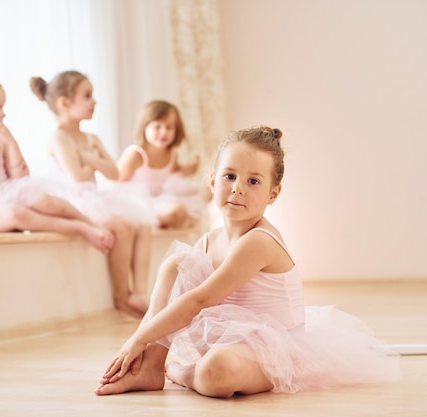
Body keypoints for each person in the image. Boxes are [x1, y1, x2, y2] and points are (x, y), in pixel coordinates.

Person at [95, 126, 401, 398]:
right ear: (213, 182)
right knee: (176, 263)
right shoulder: (209, 241)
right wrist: (142, 345)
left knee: (215, 371)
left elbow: (200, 299)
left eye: (253, 181)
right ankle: (152, 367)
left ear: (273, 194)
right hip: (230, 337)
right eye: (230, 176)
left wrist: (136, 339)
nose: (238, 187)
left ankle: (181, 372)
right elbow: (176, 299)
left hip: (276, 349)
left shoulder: (258, 241)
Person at [0, 74, 115, 256]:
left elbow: (21, 180)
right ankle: (79, 228)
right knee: (16, 214)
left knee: (44, 200)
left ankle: (88, 222)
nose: (4, 113)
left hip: (10, 197)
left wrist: (10, 143)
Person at [30, 70, 152, 318]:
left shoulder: (91, 138)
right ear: (65, 103)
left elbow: (115, 172)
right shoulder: (59, 137)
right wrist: (93, 160)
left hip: (95, 196)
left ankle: (138, 292)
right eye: (87, 96)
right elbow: (78, 176)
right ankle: (122, 297)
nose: (94, 101)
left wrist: (88, 160)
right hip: (74, 200)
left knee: (142, 225)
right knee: (122, 227)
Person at [116, 100, 209, 229]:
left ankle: (159, 220)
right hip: (135, 201)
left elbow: (175, 170)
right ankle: (151, 221)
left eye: (169, 127)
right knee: (173, 213)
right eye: (157, 126)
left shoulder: (171, 154)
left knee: (180, 211)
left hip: (157, 199)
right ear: (145, 127)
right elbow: (116, 180)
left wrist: (189, 169)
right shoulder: (136, 155)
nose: (164, 132)